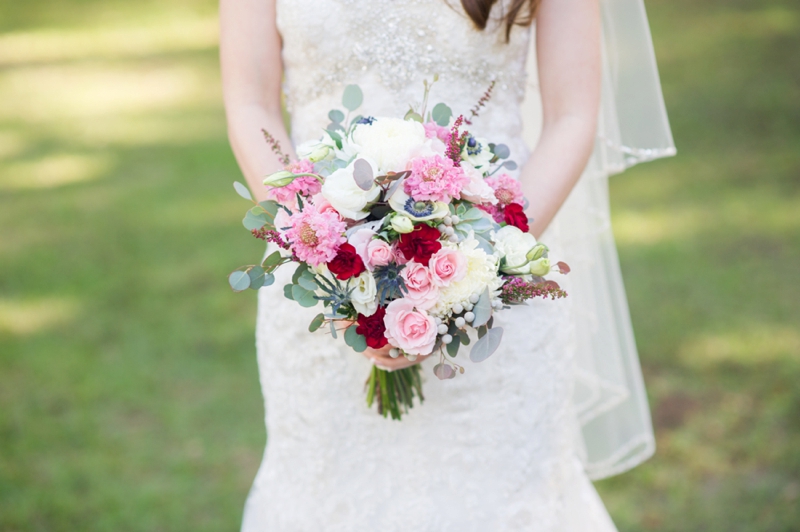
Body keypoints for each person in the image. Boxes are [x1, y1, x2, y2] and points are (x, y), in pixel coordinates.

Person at [220, 0, 675, 529]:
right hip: (321, 288)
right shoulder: (321, 266)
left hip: (495, 288)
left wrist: (480, 263)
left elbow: (573, 116)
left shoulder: (489, 265)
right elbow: (250, 103)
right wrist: (321, 253)